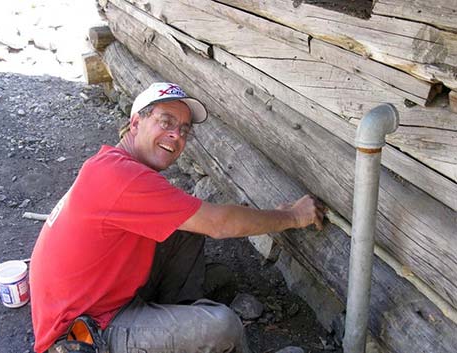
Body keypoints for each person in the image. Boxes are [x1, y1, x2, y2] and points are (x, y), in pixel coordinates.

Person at [30, 82, 325, 353]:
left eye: (184, 130)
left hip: (98, 298)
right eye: (166, 122)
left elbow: (202, 220)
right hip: (85, 332)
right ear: (135, 123)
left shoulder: (111, 165)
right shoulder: (122, 177)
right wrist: (293, 216)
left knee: (185, 226)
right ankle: (193, 334)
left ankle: (177, 324)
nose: (177, 136)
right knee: (223, 326)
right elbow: (219, 224)